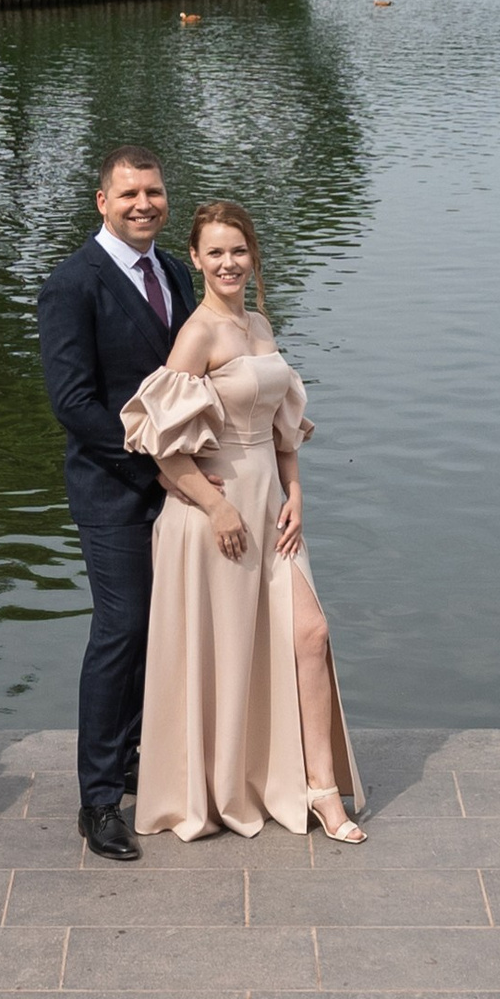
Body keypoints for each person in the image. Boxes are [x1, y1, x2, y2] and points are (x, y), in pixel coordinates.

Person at [120, 200, 364, 843]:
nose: (229, 262)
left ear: (252, 255)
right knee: (228, 651)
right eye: (215, 252)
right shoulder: (198, 334)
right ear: (195, 260)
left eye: (239, 250)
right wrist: (215, 504)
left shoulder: (259, 325)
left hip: (272, 508)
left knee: (310, 633)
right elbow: (158, 439)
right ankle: (225, 786)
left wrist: (296, 493)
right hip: (214, 516)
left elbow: (284, 428)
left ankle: (321, 790)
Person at [37, 146, 197, 862]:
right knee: (121, 627)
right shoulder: (72, 283)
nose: (144, 204)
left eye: (154, 192)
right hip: (113, 488)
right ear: (101, 200)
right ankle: (98, 800)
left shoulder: (173, 273)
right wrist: (156, 464)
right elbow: (74, 404)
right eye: (129, 192)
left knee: (162, 625)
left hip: (181, 486)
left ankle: (134, 753)